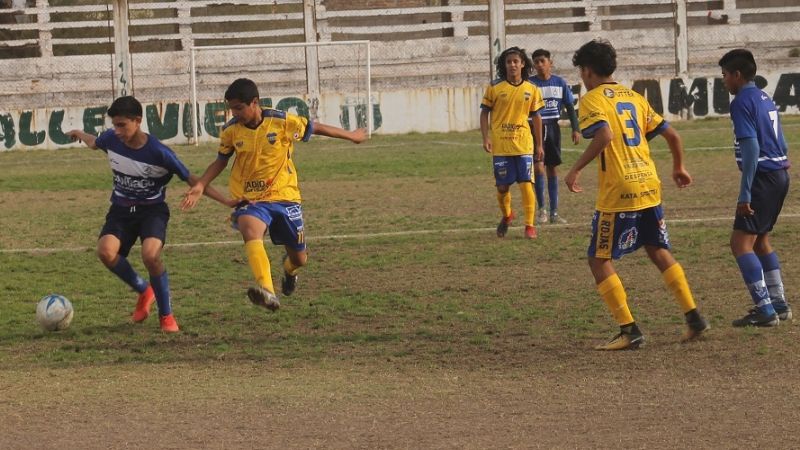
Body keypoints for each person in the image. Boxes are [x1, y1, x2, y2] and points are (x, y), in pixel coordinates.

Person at [564, 39, 709, 350]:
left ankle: (629, 329)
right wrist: (679, 167)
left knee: (598, 258)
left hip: (620, 189)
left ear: (587, 71)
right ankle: (694, 316)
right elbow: (672, 134)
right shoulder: (634, 97)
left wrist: (575, 168)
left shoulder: (591, 100)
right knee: (656, 248)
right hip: (648, 184)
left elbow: (604, 135)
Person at [181, 78, 367, 312]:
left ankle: (290, 271)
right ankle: (267, 291)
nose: (235, 113)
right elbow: (220, 161)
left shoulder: (281, 121)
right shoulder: (230, 130)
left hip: (285, 196)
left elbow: (315, 127)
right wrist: (200, 185)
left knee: (299, 259)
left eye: (239, 108)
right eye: (232, 109)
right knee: (249, 228)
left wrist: (352, 135)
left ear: (255, 102)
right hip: (251, 198)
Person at [67, 96, 231, 333]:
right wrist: (80, 134)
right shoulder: (111, 139)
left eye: (122, 125)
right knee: (105, 251)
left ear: (137, 121)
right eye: (115, 125)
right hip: (121, 210)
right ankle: (145, 290)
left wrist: (225, 200)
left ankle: (166, 316)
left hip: (152, 211)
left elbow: (192, 179)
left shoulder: (159, 153)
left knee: (150, 255)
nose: (117, 130)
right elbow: (95, 143)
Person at [719, 49, 792, 327]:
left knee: (740, 243)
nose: (724, 81)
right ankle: (779, 304)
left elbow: (750, 149)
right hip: (779, 174)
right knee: (760, 241)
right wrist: (783, 164)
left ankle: (765, 310)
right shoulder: (764, 97)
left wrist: (745, 192)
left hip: (762, 177)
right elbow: (781, 140)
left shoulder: (740, 102)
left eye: (725, 75)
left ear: (737, 75)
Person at [480, 46, 545, 239]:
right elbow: (484, 113)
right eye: (509, 62)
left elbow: (537, 117)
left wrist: (540, 144)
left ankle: (530, 225)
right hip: (501, 145)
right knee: (503, 187)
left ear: (523, 64)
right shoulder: (495, 87)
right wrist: (486, 137)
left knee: (526, 184)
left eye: (516, 61)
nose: (512, 65)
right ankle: (507, 215)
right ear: (504, 65)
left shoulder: (531, 89)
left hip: (524, 144)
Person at [529, 48, 581, 225]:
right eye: (536, 62)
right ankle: (542, 210)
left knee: (552, 168)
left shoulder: (559, 83)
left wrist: (576, 128)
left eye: (542, 61)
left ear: (550, 63)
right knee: (538, 168)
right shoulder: (530, 84)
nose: (539, 65)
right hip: (535, 128)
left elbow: (569, 106)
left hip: (553, 128)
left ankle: (554, 213)